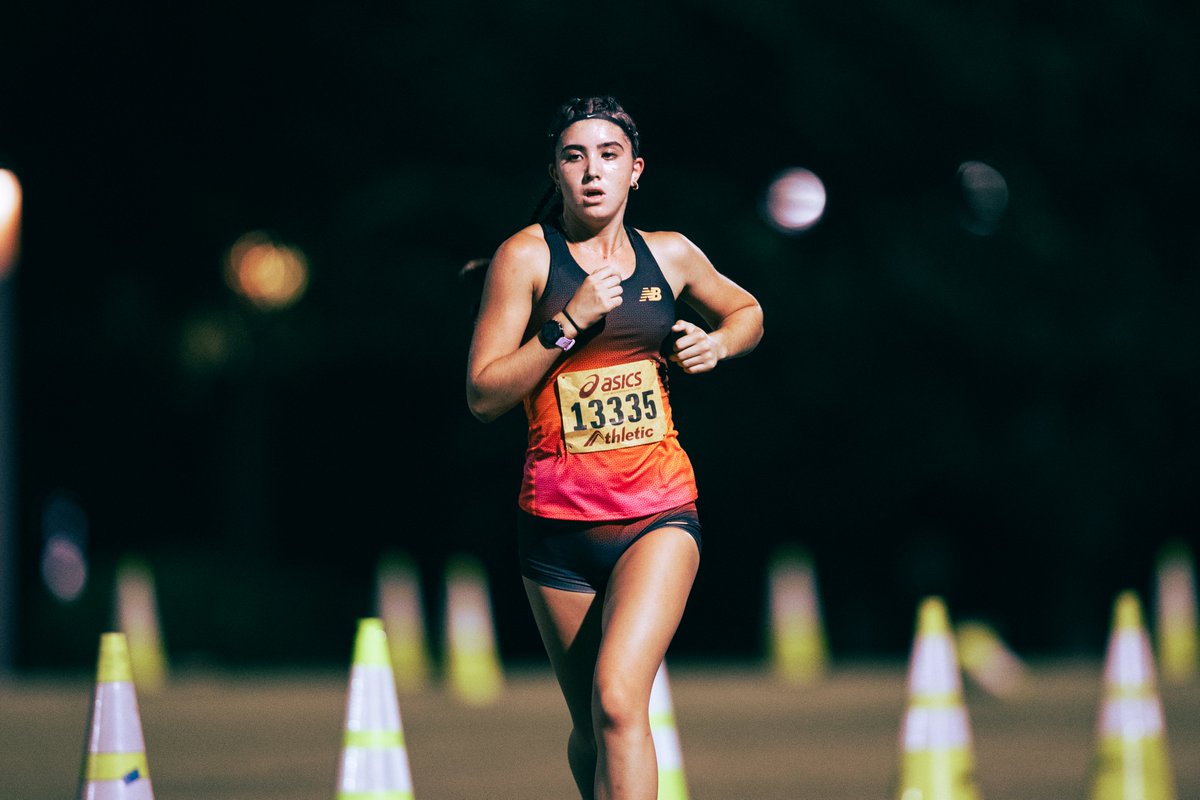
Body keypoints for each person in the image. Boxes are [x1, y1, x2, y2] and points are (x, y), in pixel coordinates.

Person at [465, 96, 763, 800]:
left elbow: (747, 311)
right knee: (592, 728)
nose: (592, 171)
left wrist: (716, 342)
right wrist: (569, 323)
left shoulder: (672, 253)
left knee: (620, 701)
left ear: (636, 171)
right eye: (575, 156)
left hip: (657, 514)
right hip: (555, 530)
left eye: (609, 155)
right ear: (556, 173)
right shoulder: (527, 257)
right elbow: (483, 394)